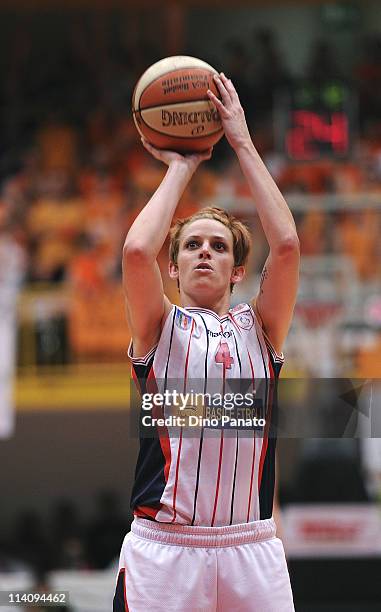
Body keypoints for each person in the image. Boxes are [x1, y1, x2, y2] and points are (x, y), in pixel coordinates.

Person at [114, 73, 299, 611]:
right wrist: (183, 165)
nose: (202, 253)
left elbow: (286, 245)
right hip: (164, 549)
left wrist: (240, 141)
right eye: (191, 245)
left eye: (217, 247)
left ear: (237, 270)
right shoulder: (159, 325)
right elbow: (133, 253)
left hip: (252, 546)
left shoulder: (260, 329)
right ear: (171, 267)